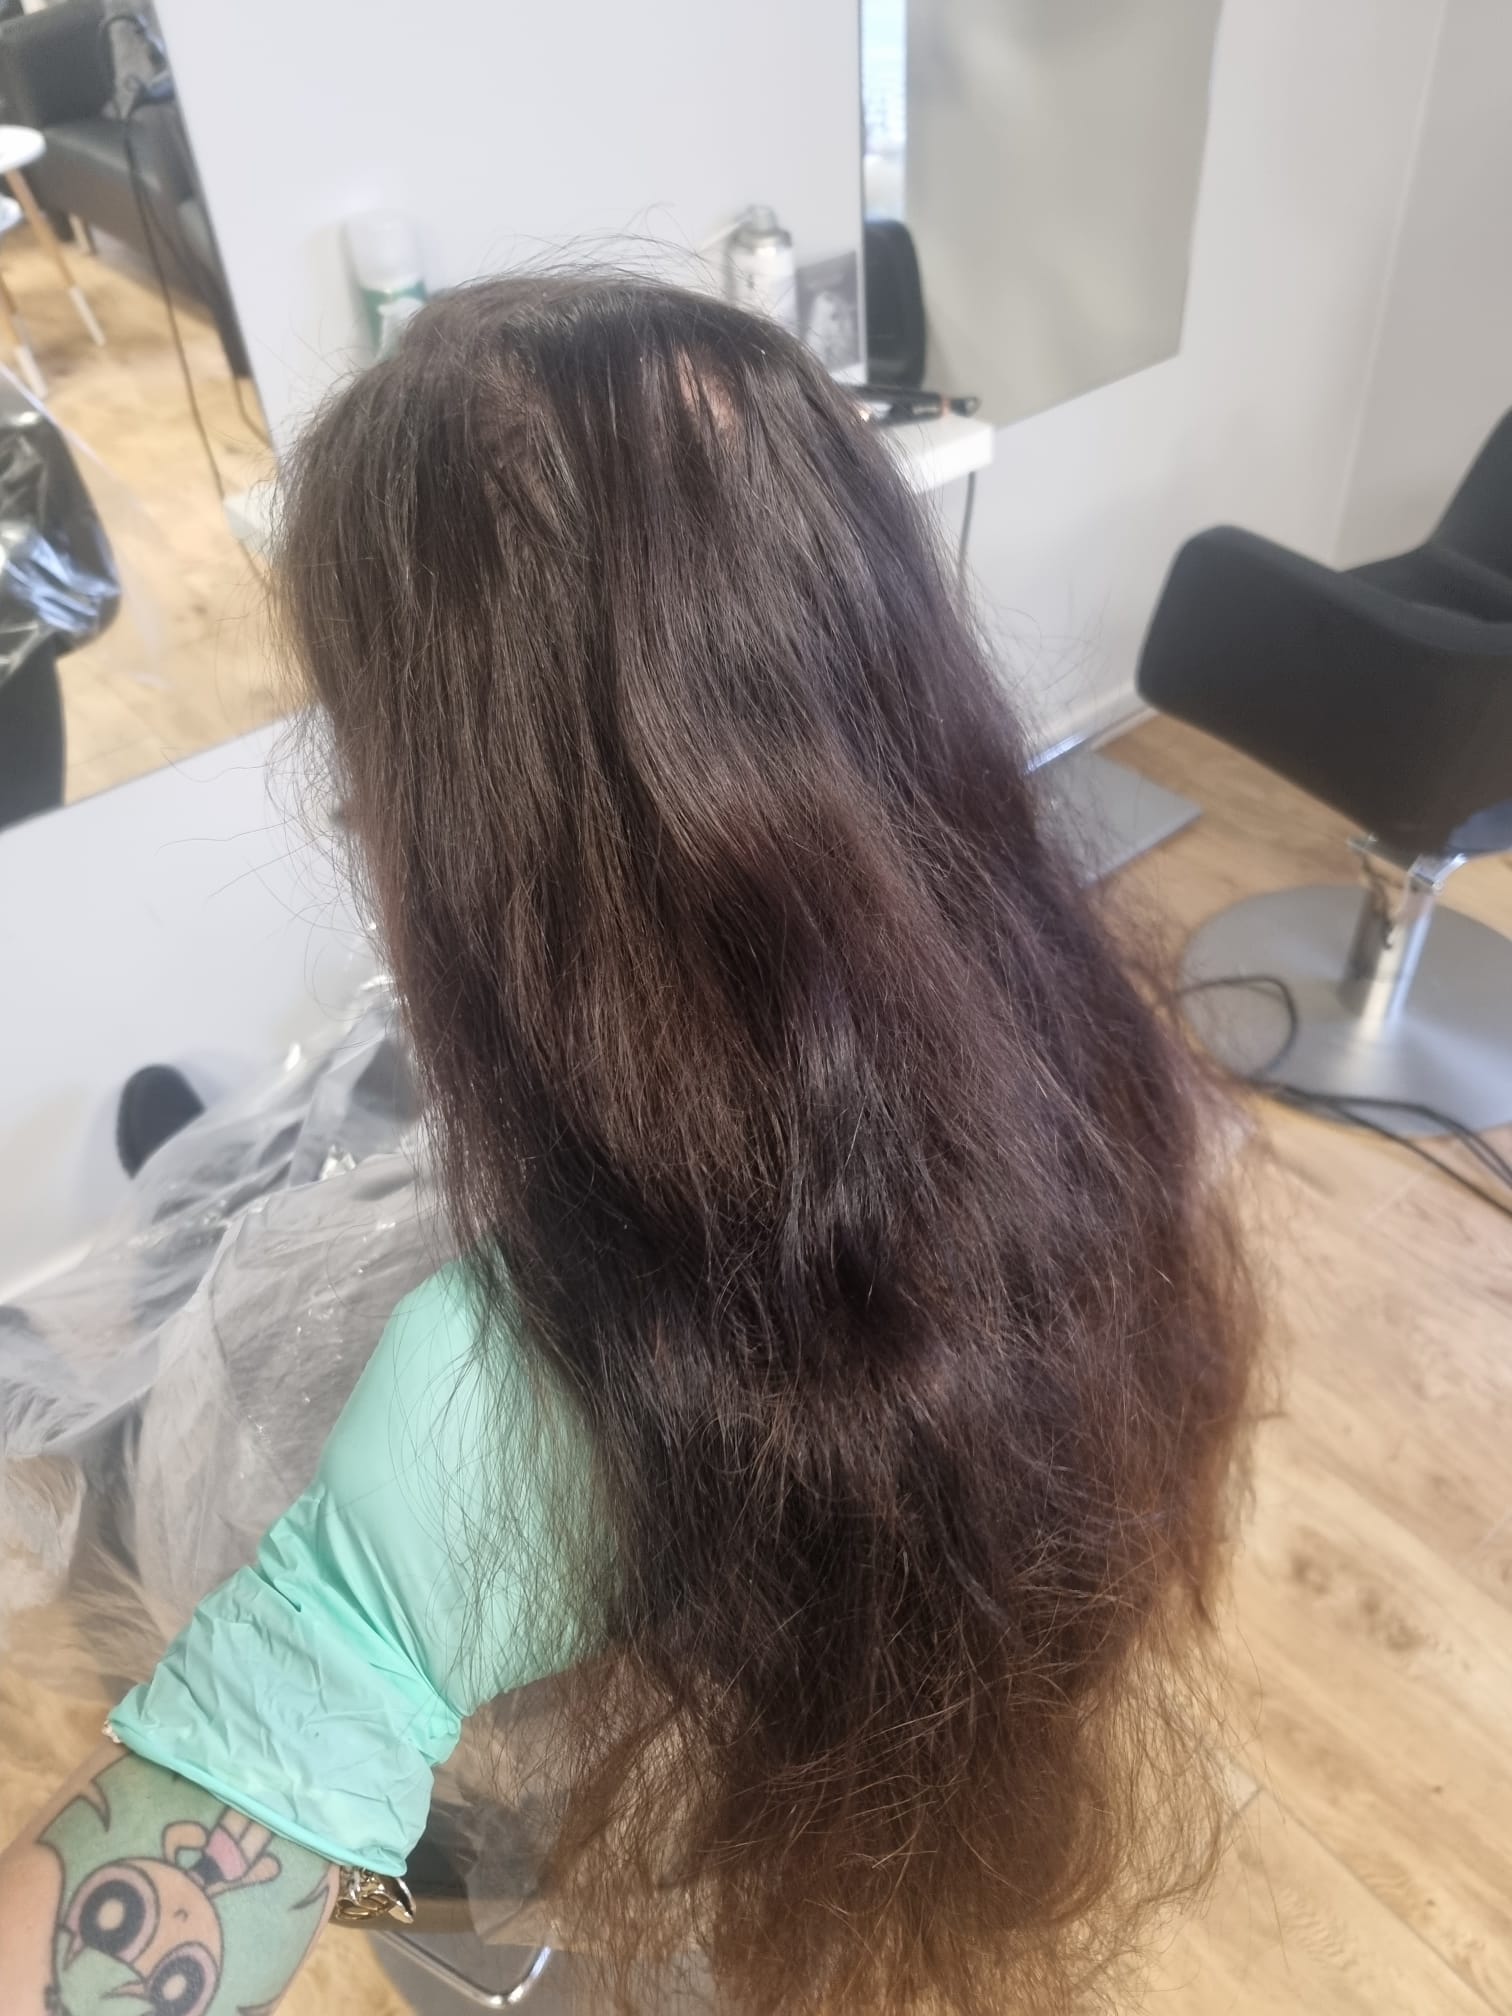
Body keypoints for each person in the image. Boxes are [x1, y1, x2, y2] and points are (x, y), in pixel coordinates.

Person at [0, 274, 1257, 2016]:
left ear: (431, 835)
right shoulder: (1114, 1105)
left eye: (365, 768)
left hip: (472, 1870)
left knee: (175, 1302)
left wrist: (328, 1651)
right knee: (263, 1175)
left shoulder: (383, 1393)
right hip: (729, 1852)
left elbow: (234, 1841)